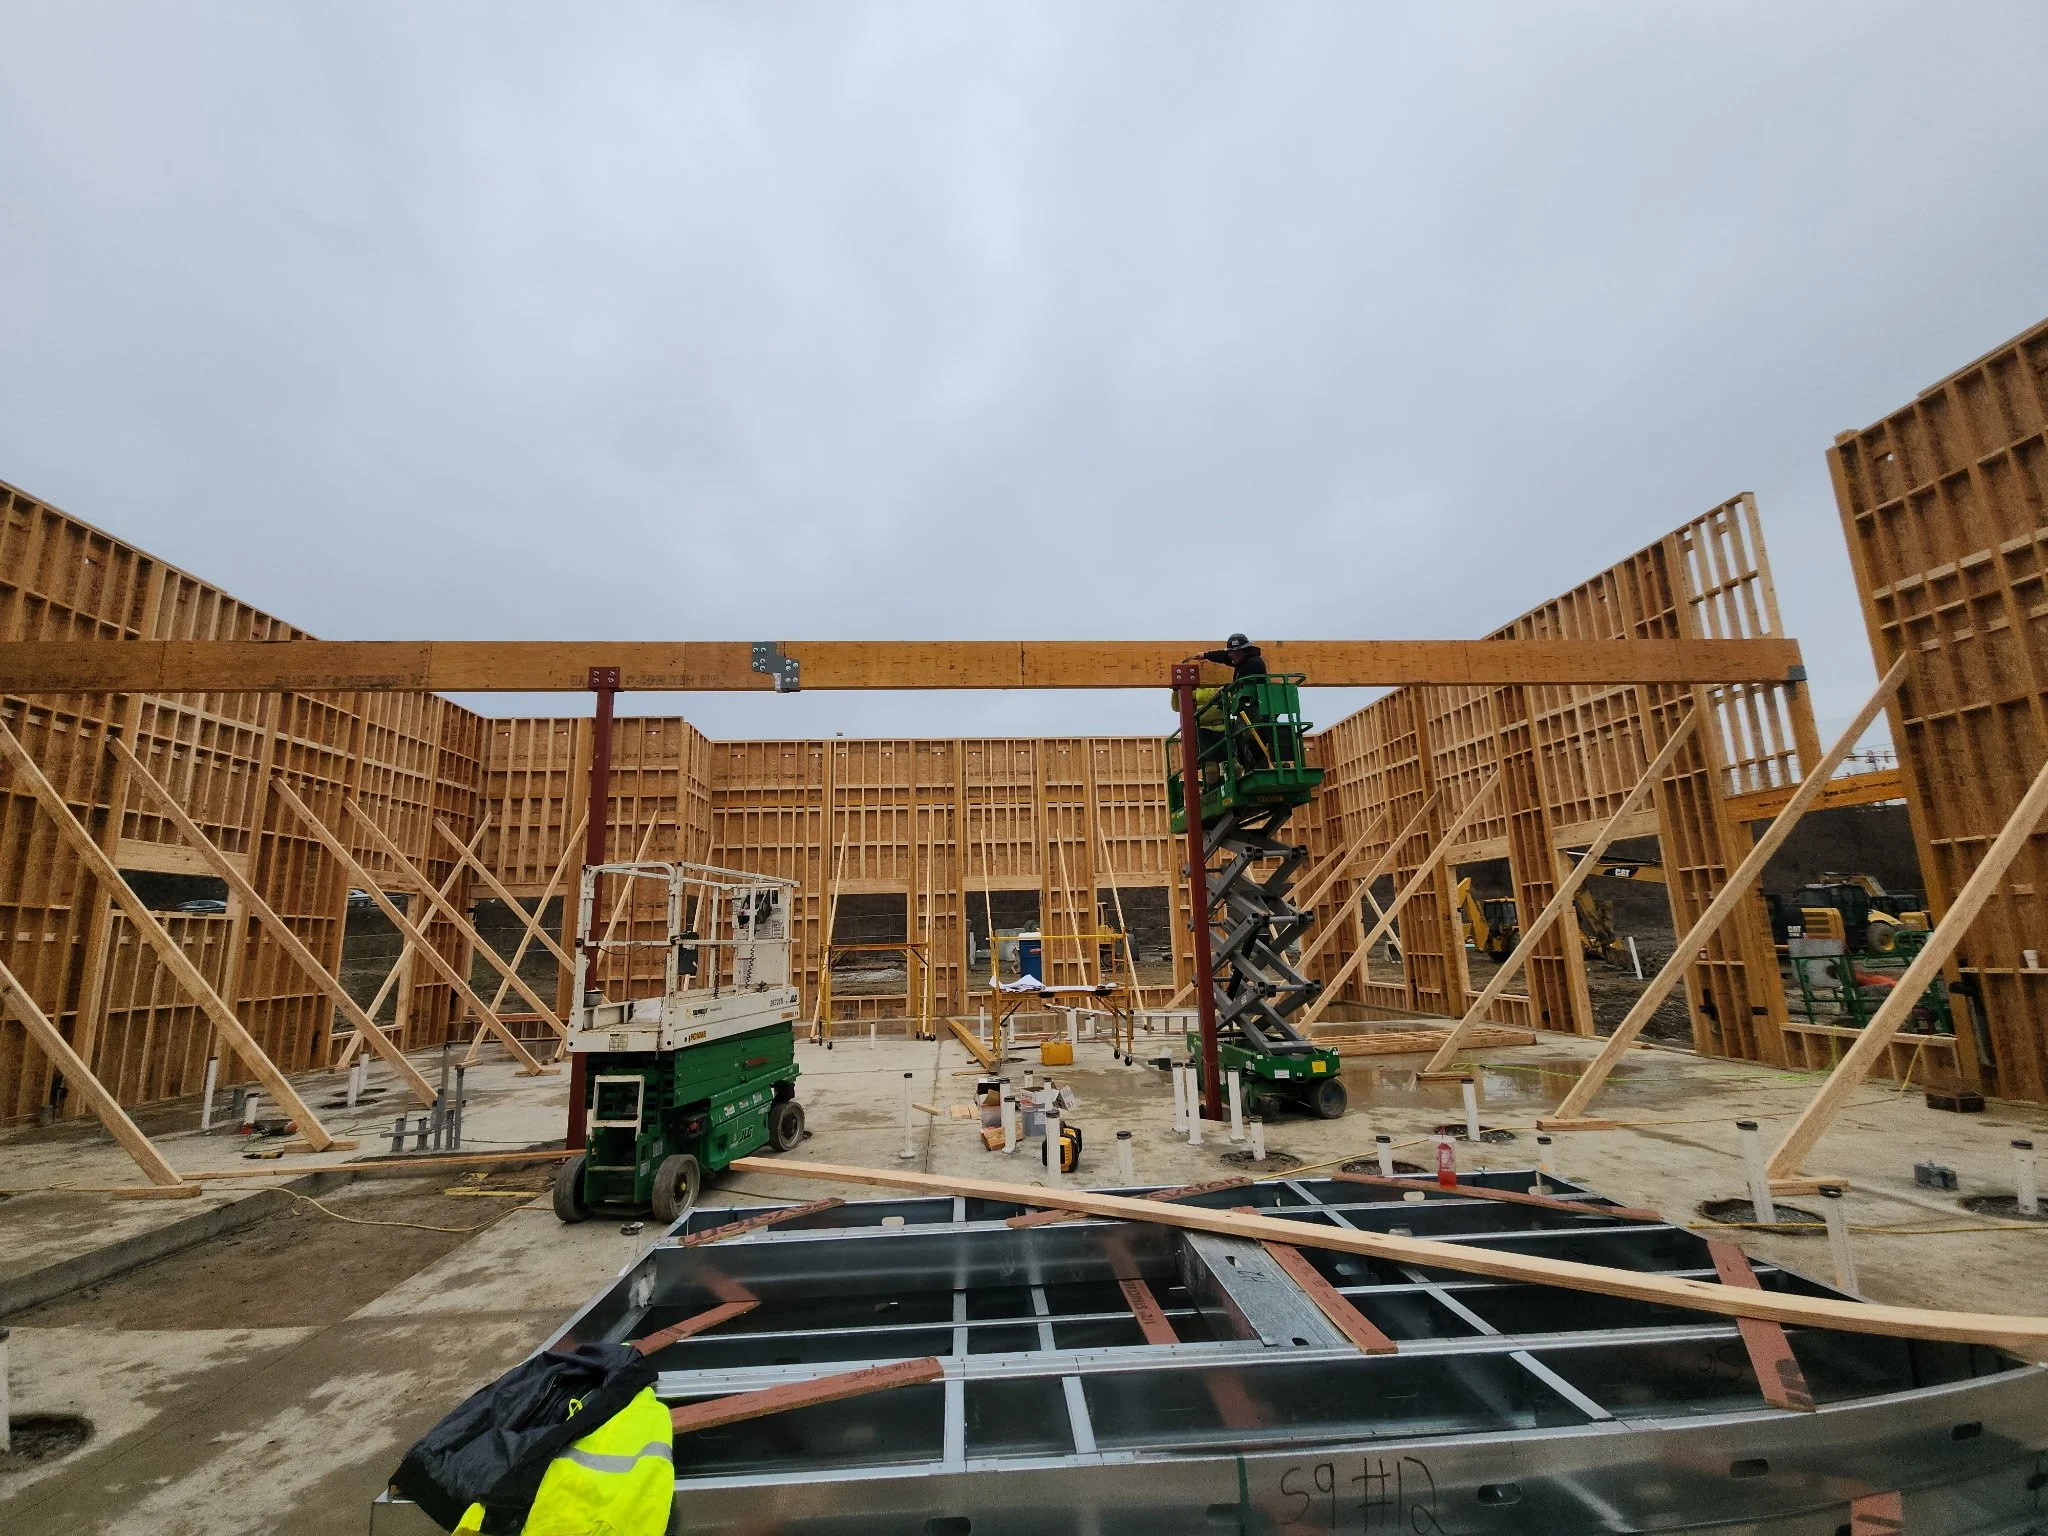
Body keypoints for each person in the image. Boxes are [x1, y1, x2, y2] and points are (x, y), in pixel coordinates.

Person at [1193, 633, 1267, 680]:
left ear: (1240, 651)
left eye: (1231, 652)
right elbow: (1223, 656)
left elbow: (1241, 686)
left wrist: (1226, 689)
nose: (1229, 655)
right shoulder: (1243, 659)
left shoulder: (1252, 664)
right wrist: (1205, 655)